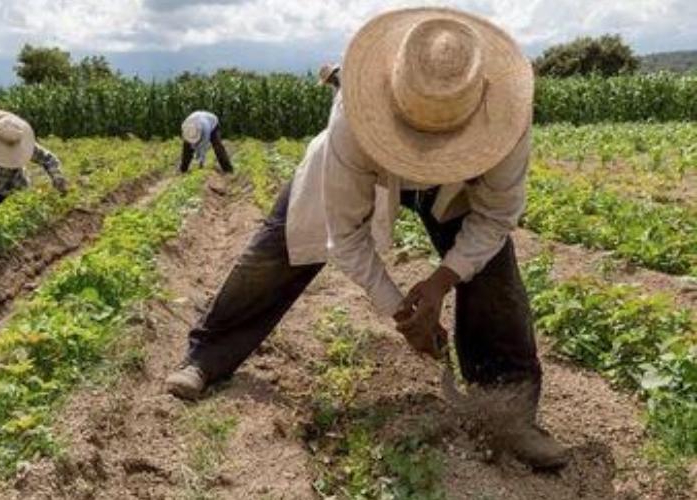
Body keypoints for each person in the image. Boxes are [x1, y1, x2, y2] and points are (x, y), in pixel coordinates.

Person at [165, 7, 568, 469]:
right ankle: (207, 357)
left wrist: (441, 281)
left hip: (462, 187)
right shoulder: (354, 122)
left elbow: (496, 216)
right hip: (368, 166)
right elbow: (344, 235)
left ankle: (508, 413)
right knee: (278, 250)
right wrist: (401, 310)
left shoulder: (506, 121)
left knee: (495, 279)